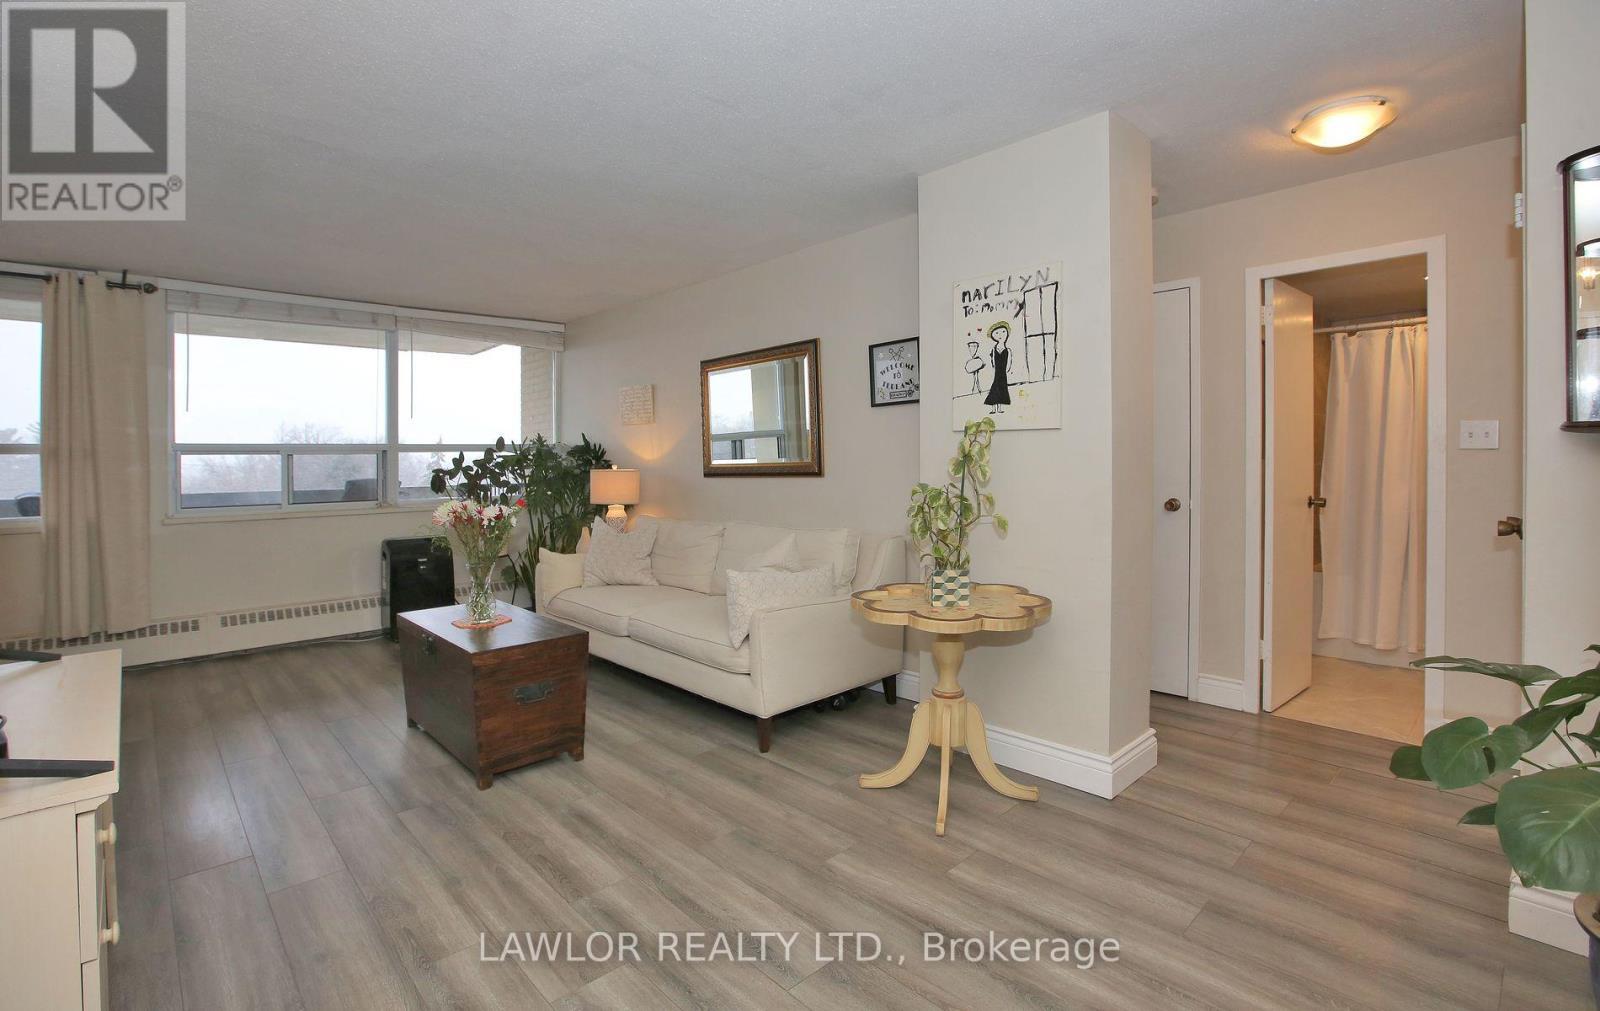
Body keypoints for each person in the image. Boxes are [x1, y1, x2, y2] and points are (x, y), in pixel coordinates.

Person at [983, 321, 1011, 414]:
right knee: (995, 388)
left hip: (1003, 372)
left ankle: (999, 408)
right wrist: (994, 368)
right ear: (993, 336)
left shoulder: (1008, 350)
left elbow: (1009, 361)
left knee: (1002, 389)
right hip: (997, 372)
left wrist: (1007, 370)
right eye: (997, 333)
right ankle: (993, 409)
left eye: (1003, 332)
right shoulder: (994, 349)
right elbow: (993, 361)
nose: (1000, 335)